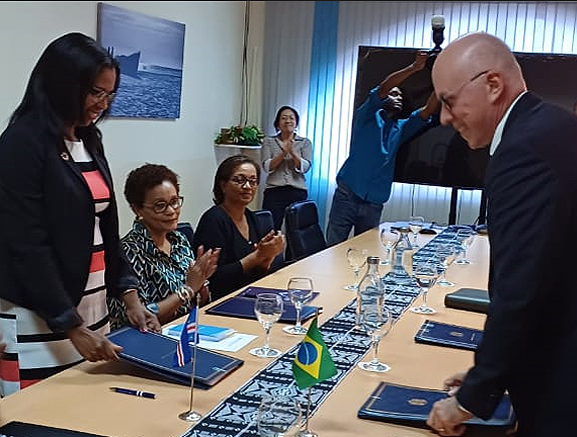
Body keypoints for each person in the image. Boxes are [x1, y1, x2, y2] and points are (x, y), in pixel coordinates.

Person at [427, 31, 577, 437]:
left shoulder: (523, 151)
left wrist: (471, 398)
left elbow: (520, 290)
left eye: (449, 100)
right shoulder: (554, 127)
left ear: (493, 85)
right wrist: (492, 377)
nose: (443, 118)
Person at [0, 32, 160, 396]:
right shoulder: (21, 143)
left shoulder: (89, 139)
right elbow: (27, 245)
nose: (102, 104)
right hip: (39, 317)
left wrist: (131, 297)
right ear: (61, 86)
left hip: (92, 309)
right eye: (95, 93)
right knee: (38, 418)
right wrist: (69, 325)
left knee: (88, 412)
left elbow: (105, 227)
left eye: (110, 94)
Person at [325, 50, 440, 246]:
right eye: (395, 94)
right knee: (332, 248)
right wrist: (415, 68)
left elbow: (428, 109)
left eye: (401, 96)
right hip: (348, 195)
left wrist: (442, 80)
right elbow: (384, 87)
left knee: (367, 251)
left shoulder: (401, 127)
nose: (399, 98)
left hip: (374, 202)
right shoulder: (367, 116)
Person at [107, 164, 220, 330]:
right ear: (137, 209)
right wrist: (188, 289)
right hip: (146, 340)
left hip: (186, 328)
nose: (171, 211)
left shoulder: (179, 240)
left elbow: (198, 302)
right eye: (160, 205)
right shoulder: (128, 252)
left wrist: (201, 284)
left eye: (174, 202)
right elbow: (143, 318)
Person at [193, 154, 285, 301]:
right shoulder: (213, 219)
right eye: (239, 180)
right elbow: (214, 280)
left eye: (253, 181)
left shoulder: (251, 217)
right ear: (223, 185)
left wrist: (267, 259)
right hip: (223, 301)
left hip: (250, 295)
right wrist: (258, 256)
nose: (247, 187)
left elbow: (256, 272)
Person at [261, 106, 312, 231]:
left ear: (296, 123)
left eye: (291, 118)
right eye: (283, 118)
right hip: (274, 191)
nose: (287, 121)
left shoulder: (305, 142)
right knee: (271, 229)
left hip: (297, 190)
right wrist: (283, 153)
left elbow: (305, 167)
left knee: (296, 231)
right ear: (278, 123)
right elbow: (267, 166)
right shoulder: (269, 141)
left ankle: (292, 252)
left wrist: (292, 152)